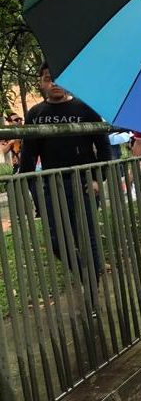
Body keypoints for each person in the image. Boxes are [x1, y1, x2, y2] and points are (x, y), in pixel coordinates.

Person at [19, 62, 112, 278]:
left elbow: (104, 145)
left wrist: (99, 179)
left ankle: (94, 283)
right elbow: (28, 157)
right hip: (52, 186)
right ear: (41, 83)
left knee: (87, 236)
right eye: (49, 78)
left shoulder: (85, 108)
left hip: (84, 183)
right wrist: (35, 192)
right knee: (56, 240)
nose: (55, 83)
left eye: (59, 77)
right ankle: (86, 275)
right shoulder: (35, 114)